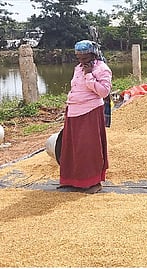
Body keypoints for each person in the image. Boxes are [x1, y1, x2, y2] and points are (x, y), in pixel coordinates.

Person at [58, 40, 112, 194]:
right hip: (74, 110)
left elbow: (104, 92)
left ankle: (93, 181)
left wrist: (89, 77)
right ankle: (73, 180)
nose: (82, 61)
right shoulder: (78, 68)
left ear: (93, 55)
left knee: (89, 148)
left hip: (90, 111)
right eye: (79, 58)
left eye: (85, 57)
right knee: (72, 148)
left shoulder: (102, 69)